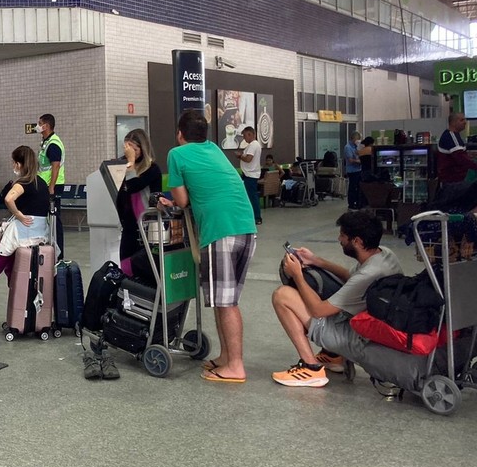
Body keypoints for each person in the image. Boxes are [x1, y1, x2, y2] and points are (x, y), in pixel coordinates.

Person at [159, 109, 256, 383]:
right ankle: (226, 358)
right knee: (224, 300)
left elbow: (182, 200)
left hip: (219, 229)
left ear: (180, 134)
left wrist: (170, 201)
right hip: (246, 226)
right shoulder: (214, 149)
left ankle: (235, 366)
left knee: (226, 303)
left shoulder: (177, 154)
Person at [271, 210, 404, 387]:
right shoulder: (384, 255)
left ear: (357, 241)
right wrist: (316, 260)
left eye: (343, 235)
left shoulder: (368, 274)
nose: (339, 239)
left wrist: (297, 275)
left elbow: (319, 310)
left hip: (357, 341)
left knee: (282, 295)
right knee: (327, 287)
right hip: (369, 328)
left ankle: (311, 368)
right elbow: (351, 278)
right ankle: (333, 356)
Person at [0, 146, 50, 301]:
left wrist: (18, 214)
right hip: (38, 236)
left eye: (14, 162)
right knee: (14, 270)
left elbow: (8, 199)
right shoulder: (42, 183)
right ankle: (20, 303)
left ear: (19, 164)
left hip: (18, 235)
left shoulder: (22, 183)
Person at [115, 128, 162, 275]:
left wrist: (130, 162)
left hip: (146, 227)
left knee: (142, 267)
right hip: (128, 226)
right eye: (127, 149)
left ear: (143, 148)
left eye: (134, 149)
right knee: (125, 266)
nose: (130, 153)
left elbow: (132, 186)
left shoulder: (152, 169)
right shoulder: (122, 166)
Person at [36, 113, 65, 258]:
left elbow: (56, 166)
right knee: (47, 218)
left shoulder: (53, 144)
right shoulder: (46, 142)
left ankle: (59, 254)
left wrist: (51, 187)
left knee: (54, 220)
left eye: (40, 123)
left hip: (52, 186)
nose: (37, 126)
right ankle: (49, 250)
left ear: (46, 126)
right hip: (45, 184)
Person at [438, 112, 477, 184]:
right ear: (453, 123)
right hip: (453, 182)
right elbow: (461, 158)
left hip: (456, 180)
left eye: (465, 119)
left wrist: (468, 154)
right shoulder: (451, 136)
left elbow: (458, 155)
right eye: (462, 120)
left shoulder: (455, 135)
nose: (465, 122)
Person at [236, 126, 262, 225]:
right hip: (249, 174)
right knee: (250, 196)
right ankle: (252, 216)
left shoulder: (253, 145)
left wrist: (240, 156)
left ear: (250, 134)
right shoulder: (255, 145)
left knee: (252, 197)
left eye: (244, 136)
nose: (244, 138)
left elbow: (248, 159)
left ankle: (257, 217)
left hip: (250, 175)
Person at [344, 131, 362, 209]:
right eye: (357, 139)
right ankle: (351, 204)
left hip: (358, 170)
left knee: (358, 188)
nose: (358, 141)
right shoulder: (348, 147)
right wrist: (359, 161)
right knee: (352, 187)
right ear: (353, 139)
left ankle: (358, 202)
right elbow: (351, 160)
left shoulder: (356, 147)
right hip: (352, 170)